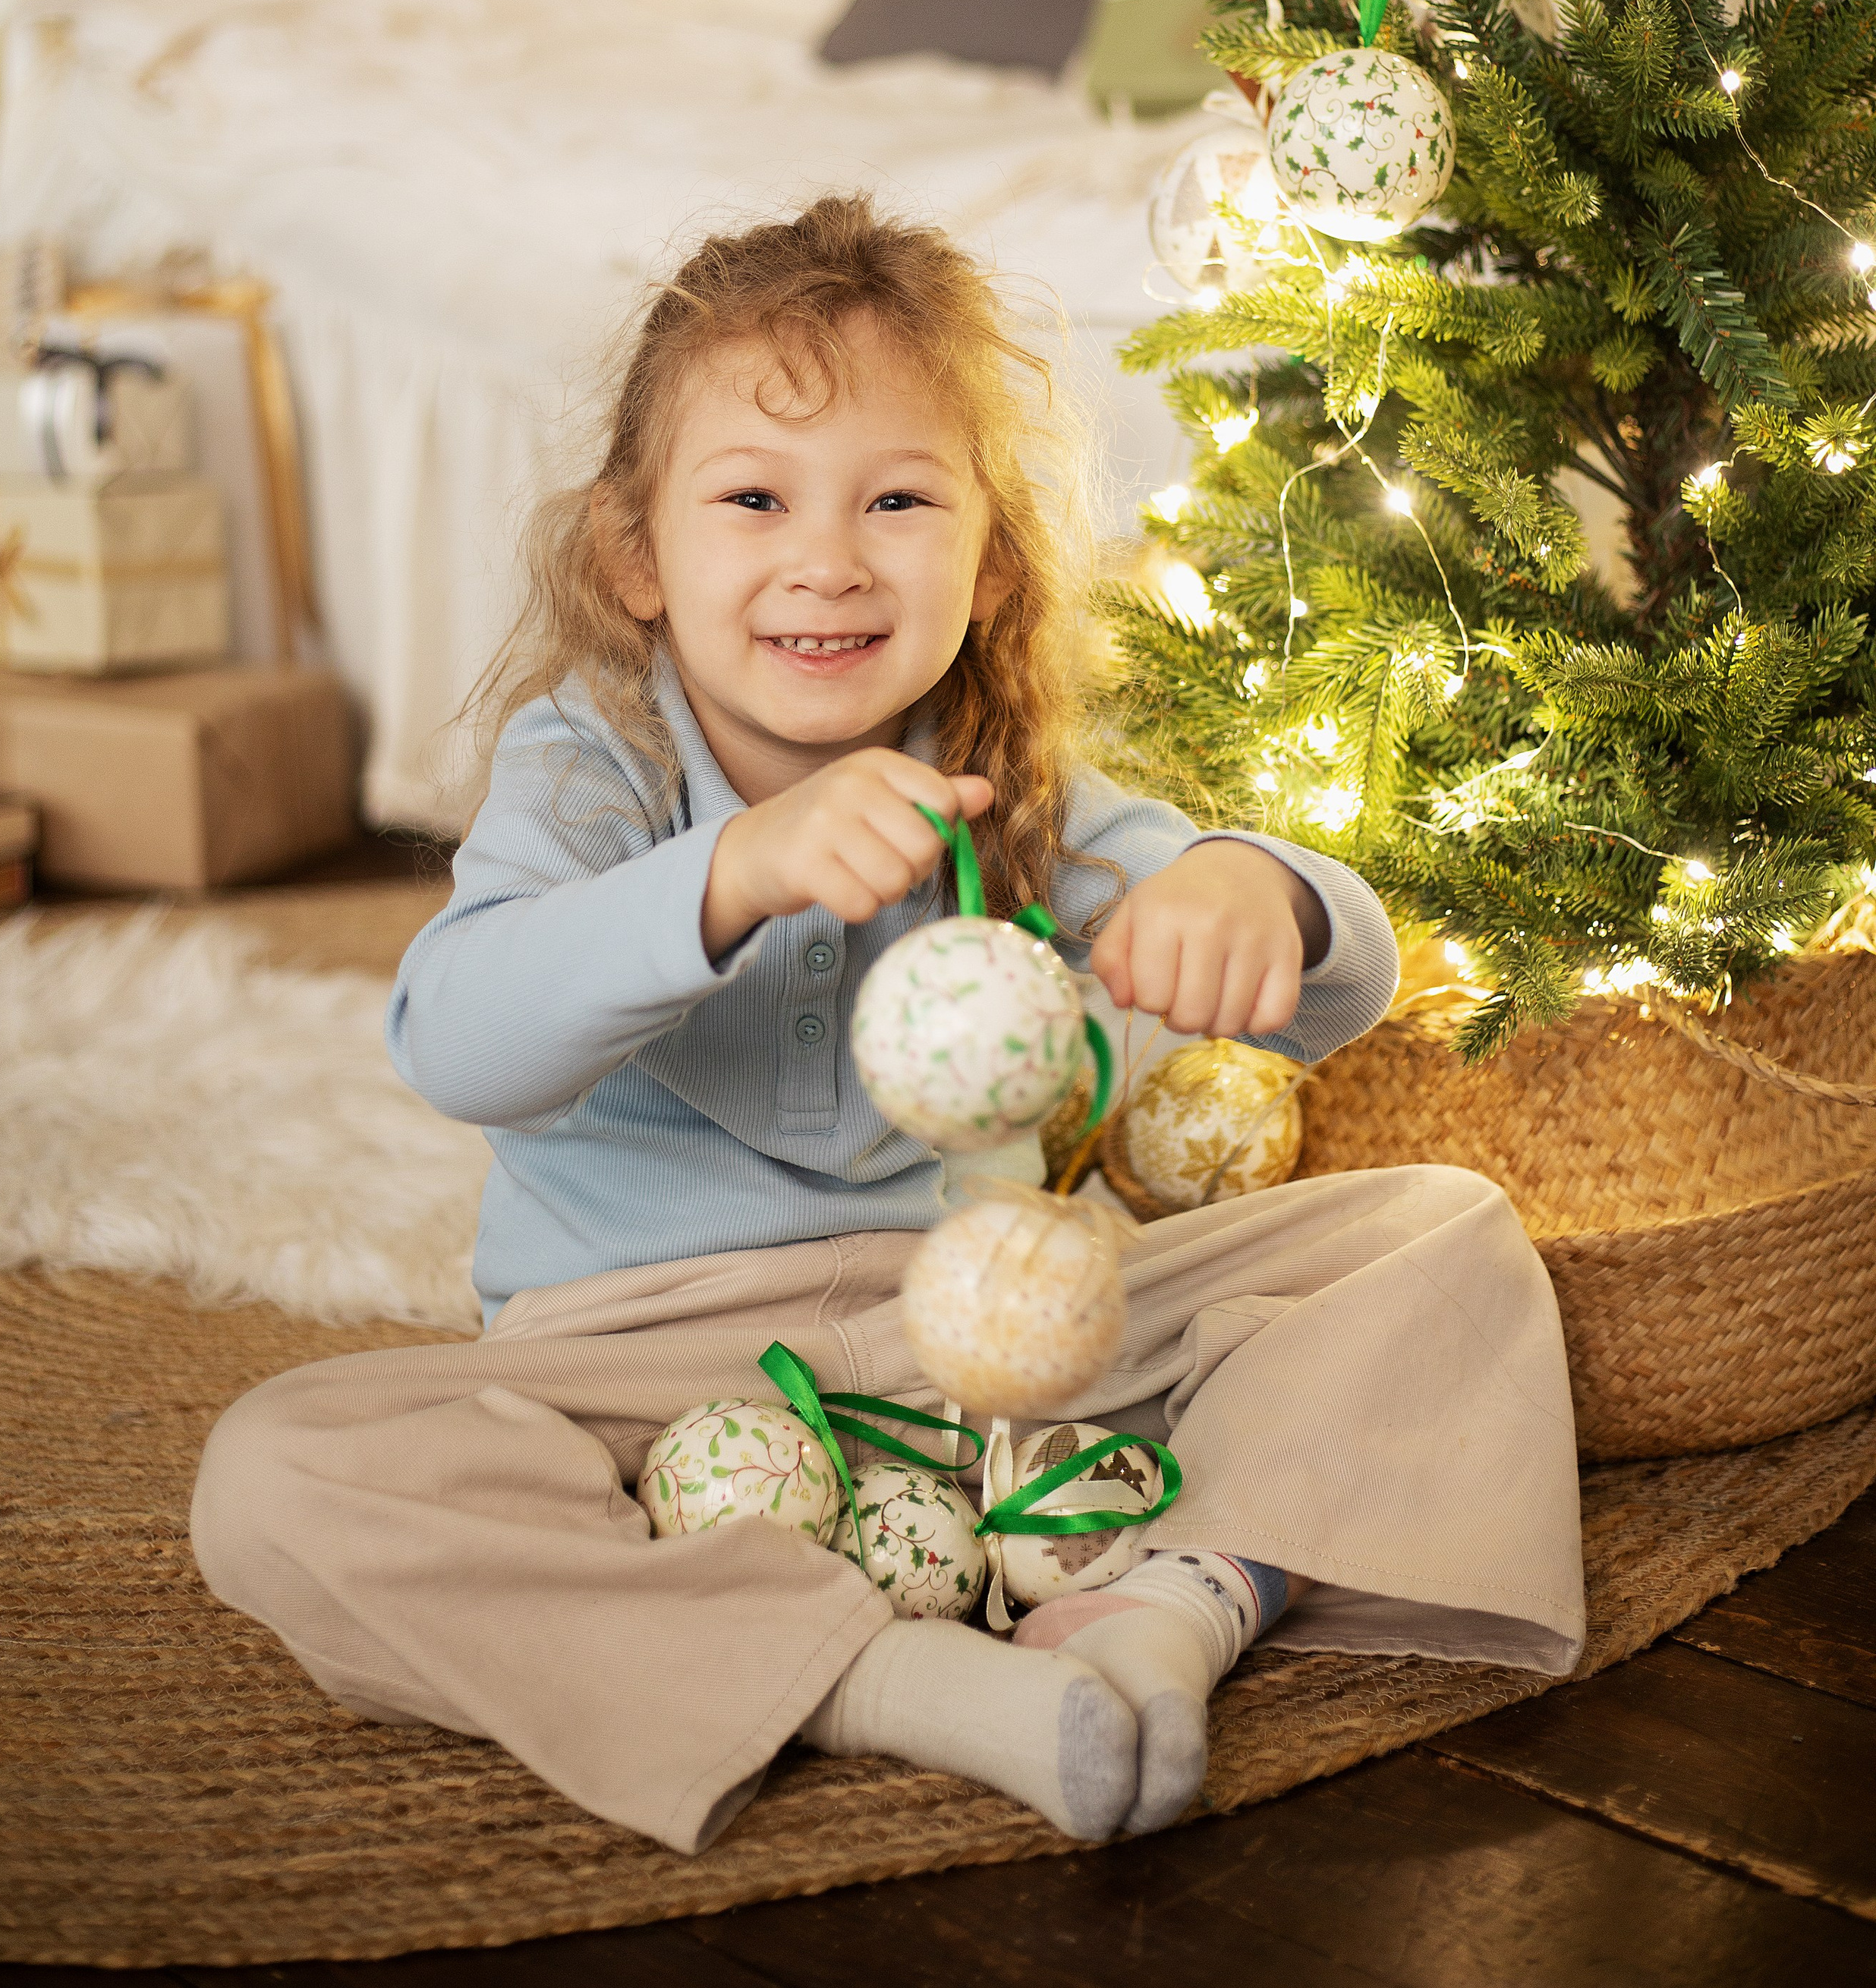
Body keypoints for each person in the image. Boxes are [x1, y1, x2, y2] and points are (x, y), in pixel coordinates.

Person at [191, 195, 1583, 1857]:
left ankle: (1161, 1618)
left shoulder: (1004, 776)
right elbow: (456, 1040)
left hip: (988, 1346)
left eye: (899, 500)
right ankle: (890, 1685)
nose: (828, 558)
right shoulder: (595, 769)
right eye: (754, 499)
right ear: (635, 551)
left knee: (1436, 1234)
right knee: (279, 1474)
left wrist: (1246, 890)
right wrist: (727, 874)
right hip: (646, 1371)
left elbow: (1337, 990)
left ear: (988, 561)